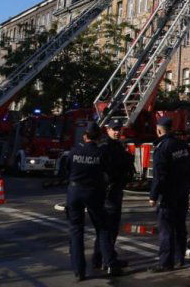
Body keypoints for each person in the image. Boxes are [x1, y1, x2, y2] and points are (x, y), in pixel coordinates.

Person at [66, 123, 121, 281]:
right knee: (103, 228)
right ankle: (111, 263)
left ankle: (79, 271)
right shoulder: (100, 153)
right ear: (98, 137)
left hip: (74, 192)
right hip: (93, 193)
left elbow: (67, 170)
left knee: (76, 232)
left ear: (85, 136)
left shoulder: (74, 152)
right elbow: (108, 172)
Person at [148, 117, 190, 272]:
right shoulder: (183, 145)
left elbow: (159, 175)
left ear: (159, 130)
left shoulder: (162, 148)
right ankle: (179, 259)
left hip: (168, 194)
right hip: (183, 192)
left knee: (166, 228)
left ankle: (165, 263)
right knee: (180, 226)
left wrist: (153, 196)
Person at [91, 119, 134, 271]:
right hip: (108, 193)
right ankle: (106, 259)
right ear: (107, 130)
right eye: (114, 129)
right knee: (109, 228)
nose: (117, 132)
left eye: (118, 129)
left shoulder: (118, 147)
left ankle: (98, 259)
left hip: (115, 190)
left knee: (105, 229)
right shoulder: (105, 148)